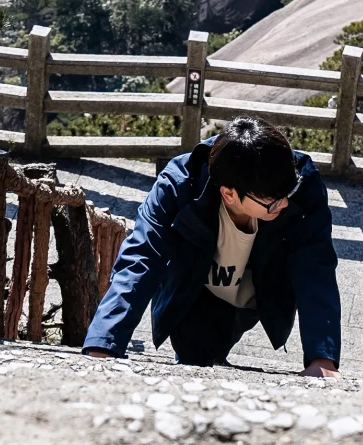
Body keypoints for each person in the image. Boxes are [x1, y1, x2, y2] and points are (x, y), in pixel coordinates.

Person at [83, 116, 342, 376]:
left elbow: (315, 267)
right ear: (229, 193)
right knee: (195, 355)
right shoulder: (180, 183)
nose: (284, 204)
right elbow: (142, 257)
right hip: (198, 289)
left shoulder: (300, 181)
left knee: (222, 342)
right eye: (272, 202)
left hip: (262, 290)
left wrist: (322, 359)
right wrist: (103, 343)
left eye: (288, 194)